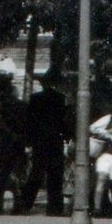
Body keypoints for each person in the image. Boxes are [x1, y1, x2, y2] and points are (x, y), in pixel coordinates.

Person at [21, 72, 70, 215]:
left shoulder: (35, 99)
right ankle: (55, 207)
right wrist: (66, 135)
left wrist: (29, 140)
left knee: (36, 172)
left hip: (39, 140)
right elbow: (63, 121)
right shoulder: (60, 98)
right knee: (55, 174)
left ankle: (25, 204)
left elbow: (29, 121)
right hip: (55, 140)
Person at [0, 81, 29, 214]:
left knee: (1, 174)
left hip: (2, 144)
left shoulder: (1, 106)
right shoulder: (23, 105)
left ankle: (0, 206)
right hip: (17, 144)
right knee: (16, 173)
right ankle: (16, 203)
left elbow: (0, 125)